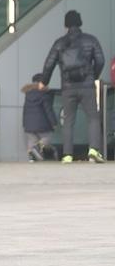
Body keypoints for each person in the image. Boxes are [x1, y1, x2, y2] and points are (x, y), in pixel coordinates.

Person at [39, 9, 105, 163]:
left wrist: (44, 81)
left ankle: (67, 155)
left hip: (68, 87)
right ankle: (94, 150)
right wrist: (93, 76)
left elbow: (49, 63)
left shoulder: (60, 42)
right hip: (87, 86)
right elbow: (100, 60)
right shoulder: (91, 40)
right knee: (93, 118)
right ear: (80, 23)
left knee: (68, 120)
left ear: (66, 25)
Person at [21, 73, 58, 162]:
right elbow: (48, 110)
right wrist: (54, 123)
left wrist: (24, 124)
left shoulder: (28, 95)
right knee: (47, 138)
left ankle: (32, 158)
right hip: (42, 124)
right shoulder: (44, 94)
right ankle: (36, 148)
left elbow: (25, 111)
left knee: (32, 141)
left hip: (28, 124)